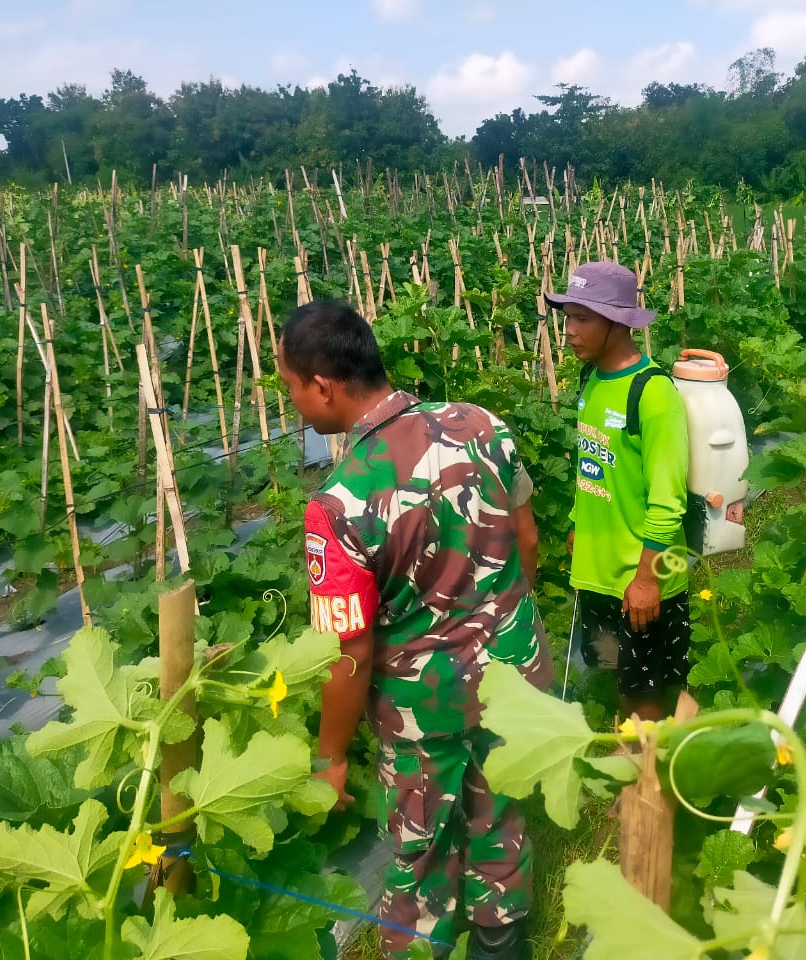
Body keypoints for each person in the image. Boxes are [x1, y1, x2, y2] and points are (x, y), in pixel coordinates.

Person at [278, 301, 551, 960]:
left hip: (425, 707)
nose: (294, 404)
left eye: (290, 388)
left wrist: (332, 757)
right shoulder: (483, 426)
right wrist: (501, 623)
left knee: (421, 844)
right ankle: (501, 936)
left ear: (323, 385)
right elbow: (527, 538)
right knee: (501, 813)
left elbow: (350, 650)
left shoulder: (340, 506)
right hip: (516, 673)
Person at [545, 260, 690, 723]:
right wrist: (575, 524)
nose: (569, 330)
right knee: (617, 674)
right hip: (598, 572)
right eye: (567, 317)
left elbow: (668, 500)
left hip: (641, 578)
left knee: (644, 693)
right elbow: (593, 465)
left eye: (582, 319)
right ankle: (636, 770)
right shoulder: (591, 381)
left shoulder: (652, 394)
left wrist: (648, 580)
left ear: (618, 323)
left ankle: (643, 786)